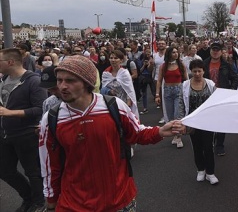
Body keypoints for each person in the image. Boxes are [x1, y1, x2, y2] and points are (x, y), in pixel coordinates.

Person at [39, 55, 183, 211]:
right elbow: (49, 165)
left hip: (119, 200)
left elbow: (137, 133)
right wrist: (51, 199)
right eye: (59, 80)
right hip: (75, 204)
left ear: (87, 82)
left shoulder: (113, 106)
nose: (62, 86)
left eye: (70, 81)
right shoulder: (51, 119)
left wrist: (160, 131)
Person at [0, 48, 48, 212]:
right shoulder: (4, 79)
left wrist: (11, 113)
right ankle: (29, 197)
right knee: (5, 170)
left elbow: (40, 108)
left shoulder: (33, 81)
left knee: (32, 172)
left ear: (10, 62)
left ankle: (39, 203)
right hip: (5, 132)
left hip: (26, 133)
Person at [178, 59, 219, 184]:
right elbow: (181, 103)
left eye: (199, 71)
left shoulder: (211, 84)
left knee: (208, 147)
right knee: (197, 147)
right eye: (194, 71)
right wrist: (181, 122)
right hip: (192, 122)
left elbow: (217, 101)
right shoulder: (185, 85)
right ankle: (200, 170)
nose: (197, 74)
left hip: (207, 121)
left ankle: (210, 173)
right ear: (191, 71)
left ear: (203, 71)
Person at [203, 42, 238, 156]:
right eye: (213, 49)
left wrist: (231, 90)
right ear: (210, 51)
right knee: (208, 120)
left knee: (221, 120)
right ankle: (210, 141)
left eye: (217, 50)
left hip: (222, 95)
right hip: (207, 95)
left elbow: (235, 78)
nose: (215, 52)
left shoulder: (226, 64)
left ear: (220, 51)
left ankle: (220, 145)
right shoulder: (204, 64)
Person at [155, 46, 187, 148]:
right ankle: (175, 134)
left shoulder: (181, 65)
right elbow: (159, 81)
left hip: (179, 90)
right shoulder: (163, 66)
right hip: (167, 92)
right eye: (173, 52)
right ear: (169, 54)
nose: (176, 54)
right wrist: (157, 95)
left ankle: (179, 137)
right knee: (170, 116)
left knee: (178, 114)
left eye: (177, 52)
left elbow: (186, 80)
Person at [101, 50, 139, 119]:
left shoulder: (124, 73)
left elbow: (129, 89)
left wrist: (128, 102)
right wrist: (109, 91)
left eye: (115, 58)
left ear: (121, 60)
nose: (113, 60)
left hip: (123, 102)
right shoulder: (106, 73)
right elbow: (103, 88)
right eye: (111, 58)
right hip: (111, 102)